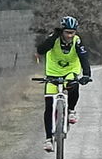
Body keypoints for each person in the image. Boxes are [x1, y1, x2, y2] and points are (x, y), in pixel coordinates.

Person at [36, 16, 91, 152]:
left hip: (70, 71)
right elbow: (41, 50)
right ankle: (48, 139)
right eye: (67, 32)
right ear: (61, 31)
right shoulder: (53, 39)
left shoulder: (77, 41)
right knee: (49, 105)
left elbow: (83, 57)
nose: (70, 35)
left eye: (72, 32)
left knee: (74, 85)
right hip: (52, 73)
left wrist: (86, 74)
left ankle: (71, 110)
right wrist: (55, 36)